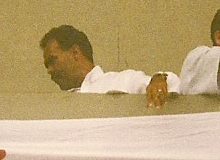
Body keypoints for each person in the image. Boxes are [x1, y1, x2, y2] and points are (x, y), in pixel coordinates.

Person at [39, 25, 178, 107]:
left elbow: (172, 86)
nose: (49, 70)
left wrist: (159, 80)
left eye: (53, 60)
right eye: (47, 66)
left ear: (75, 53)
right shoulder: (59, 108)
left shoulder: (122, 81)